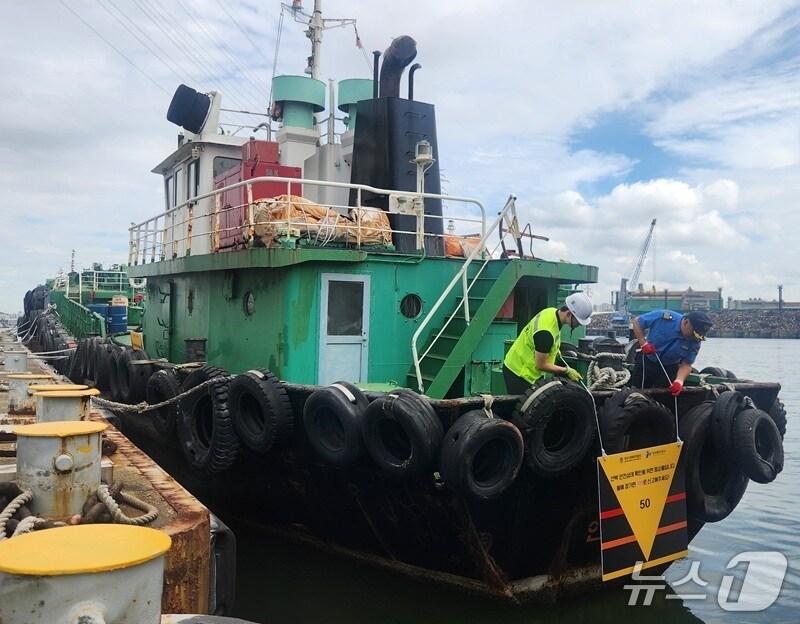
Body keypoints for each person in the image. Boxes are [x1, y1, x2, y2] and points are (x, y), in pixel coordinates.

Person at [503, 292, 593, 394]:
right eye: (578, 322)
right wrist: (566, 370)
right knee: (526, 408)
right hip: (519, 373)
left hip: (518, 365)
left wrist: (554, 351)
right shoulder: (546, 333)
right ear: (568, 314)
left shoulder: (551, 312)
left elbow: (548, 341)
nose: (579, 325)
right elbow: (541, 365)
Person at [631, 309, 713, 395]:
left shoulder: (695, 341)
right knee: (637, 394)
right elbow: (637, 322)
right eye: (693, 334)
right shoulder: (663, 317)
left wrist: (679, 381)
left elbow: (687, 364)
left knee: (664, 397)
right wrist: (643, 343)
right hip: (647, 362)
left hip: (670, 368)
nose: (693, 338)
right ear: (686, 322)